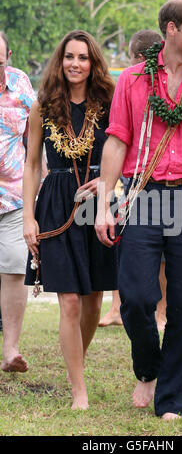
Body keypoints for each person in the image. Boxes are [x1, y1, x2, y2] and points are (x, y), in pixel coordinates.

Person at [95, 0, 182, 420]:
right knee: (135, 296)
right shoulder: (133, 79)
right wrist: (105, 204)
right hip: (143, 195)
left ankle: (171, 401)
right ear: (171, 30)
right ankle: (148, 368)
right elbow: (117, 141)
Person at [23, 30, 118, 410]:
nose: (75, 63)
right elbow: (31, 166)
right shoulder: (42, 106)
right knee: (70, 302)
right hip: (56, 204)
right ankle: (79, 391)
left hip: (97, 204)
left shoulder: (108, 103)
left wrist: (111, 181)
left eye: (83, 57)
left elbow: (125, 151)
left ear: (93, 62)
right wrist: (28, 217)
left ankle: (75, 362)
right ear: (60, 62)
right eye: (69, 57)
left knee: (94, 300)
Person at [99, 29, 167, 331]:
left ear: (140, 58)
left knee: (162, 252)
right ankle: (117, 307)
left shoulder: (164, 88)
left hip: (153, 181)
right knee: (121, 243)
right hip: (129, 181)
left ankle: (160, 312)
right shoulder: (129, 84)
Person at [0, 31, 35, 373]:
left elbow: (33, 135)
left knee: (13, 266)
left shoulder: (21, 84)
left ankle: (10, 349)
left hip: (13, 195)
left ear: (8, 55)